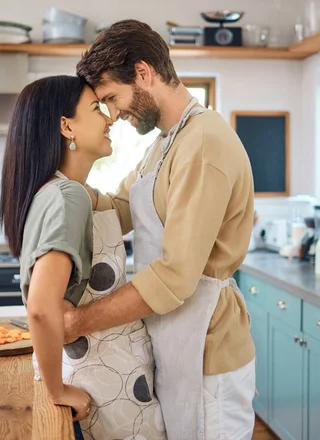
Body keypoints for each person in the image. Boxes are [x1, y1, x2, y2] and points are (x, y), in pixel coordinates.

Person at [63, 20, 257, 440]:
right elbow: (118, 207)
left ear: (144, 73)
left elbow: (176, 276)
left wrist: (79, 321)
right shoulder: (165, 143)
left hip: (209, 349)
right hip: (176, 342)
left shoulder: (203, 144)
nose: (113, 114)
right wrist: (61, 186)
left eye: (112, 98)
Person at [0, 75, 166, 440]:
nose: (108, 118)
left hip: (100, 377)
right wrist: (58, 391)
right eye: (95, 108)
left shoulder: (63, 192)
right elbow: (42, 307)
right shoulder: (68, 198)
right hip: (102, 389)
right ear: (66, 125)